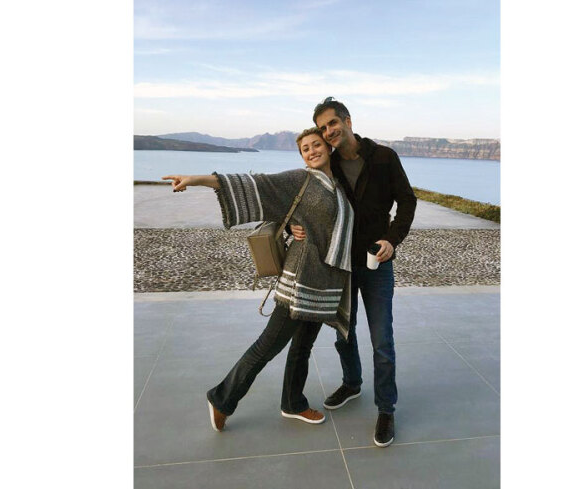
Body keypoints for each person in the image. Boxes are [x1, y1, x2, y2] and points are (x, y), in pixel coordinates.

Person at [162, 127, 354, 432]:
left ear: (328, 148)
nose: (312, 151)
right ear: (302, 156)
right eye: (305, 148)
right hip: (299, 281)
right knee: (267, 345)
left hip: (324, 284)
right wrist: (196, 179)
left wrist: (291, 224)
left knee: (303, 347)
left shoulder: (339, 186)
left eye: (316, 144)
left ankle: (293, 403)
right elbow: (255, 185)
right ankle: (222, 398)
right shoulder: (300, 179)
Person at [291, 97, 417, 447]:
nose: (328, 131)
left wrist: (392, 239)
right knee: (343, 332)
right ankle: (352, 383)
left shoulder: (384, 157)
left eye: (333, 123)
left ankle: (386, 408)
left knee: (382, 340)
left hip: (377, 263)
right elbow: (302, 202)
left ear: (347, 121)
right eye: (323, 128)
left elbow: (407, 201)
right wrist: (291, 227)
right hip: (341, 265)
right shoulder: (326, 163)